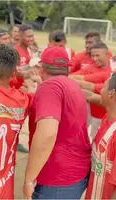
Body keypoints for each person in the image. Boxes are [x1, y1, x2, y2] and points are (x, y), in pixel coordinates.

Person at [23, 46, 91, 199]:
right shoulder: (71, 84)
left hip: (56, 177)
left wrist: (29, 179)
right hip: (75, 170)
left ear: (41, 68)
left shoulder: (49, 87)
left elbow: (47, 134)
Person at [0, 44, 32, 199]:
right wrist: (29, 81)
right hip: (4, 185)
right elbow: (32, 93)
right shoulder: (22, 100)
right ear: (14, 72)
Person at [85, 72, 116, 199]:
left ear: (111, 93)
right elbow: (89, 95)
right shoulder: (111, 116)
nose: (100, 91)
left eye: (104, 87)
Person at [71, 42, 113, 140]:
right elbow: (73, 77)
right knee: (95, 137)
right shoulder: (89, 68)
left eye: (97, 55)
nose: (94, 59)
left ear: (107, 54)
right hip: (95, 113)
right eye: (92, 56)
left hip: (113, 112)